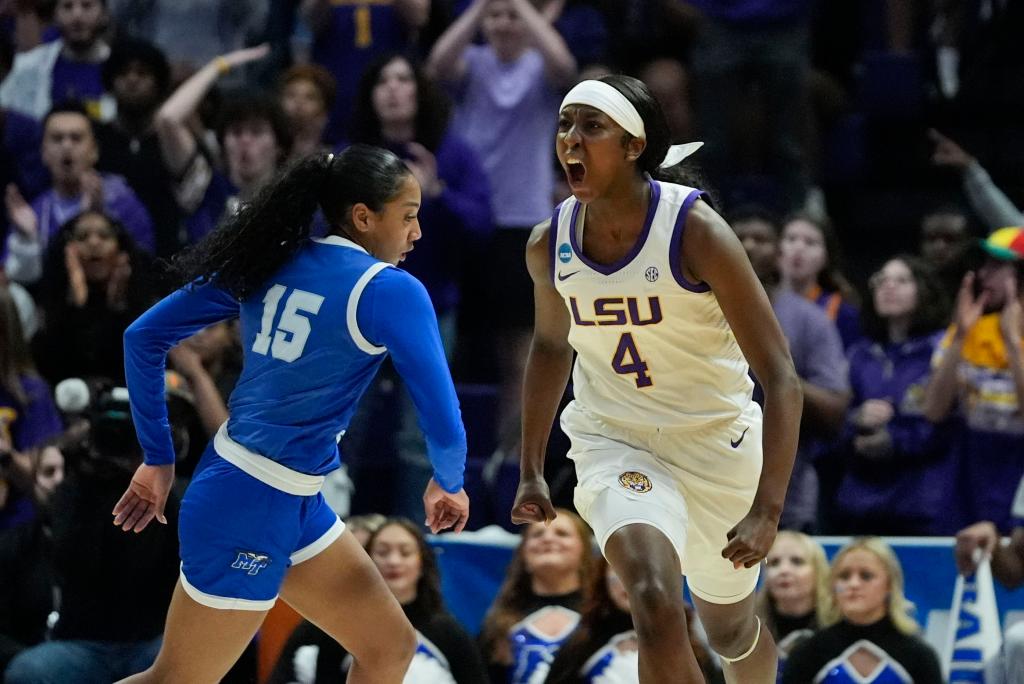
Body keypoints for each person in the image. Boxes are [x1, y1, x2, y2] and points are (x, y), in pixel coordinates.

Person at [110, 144, 471, 683]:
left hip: (289, 496)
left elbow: (142, 336)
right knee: (176, 680)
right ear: (364, 217)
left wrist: (158, 458)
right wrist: (449, 480)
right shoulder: (390, 291)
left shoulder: (271, 258)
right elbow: (439, 409)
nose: (417, 232)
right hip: (248, 500)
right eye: (409, 216)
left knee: (390, 648)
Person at [511, 75, 803, 683]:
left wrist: (768, 510)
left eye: (592, 127)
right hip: (615, 440)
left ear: (634, 144)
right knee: (651, 597)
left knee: (729, 629)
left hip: (716, 443)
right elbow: (548, 344)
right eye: (566, 125)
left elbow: (780, 377)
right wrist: (531, 467)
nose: (571, 139)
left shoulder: (697, 232)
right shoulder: (549, 243)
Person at [268, 517, 487, 683]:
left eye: (405, 552)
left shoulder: (449, 633)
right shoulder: (332, 626)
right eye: (382, 552)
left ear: (423, 564)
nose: (393, 561)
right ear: (367, 562)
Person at [835, 256, 956, 535]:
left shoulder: (943, 349)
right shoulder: (859, 355)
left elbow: (951, 423)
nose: (888, 287)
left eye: (902, 281)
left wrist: (895, 440)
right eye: (882, 280)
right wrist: (856, 420)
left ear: (925, 291)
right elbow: (835, 426)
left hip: (920, 501)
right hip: (860, 503)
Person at [922, 227, 1024, 533]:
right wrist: (961, 335)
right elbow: (933, 410)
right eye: (984, 264)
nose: (983, 274)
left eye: (997, 266)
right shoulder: (970, 328)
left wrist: (1013, 343)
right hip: (970, 470)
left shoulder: (1010, 335)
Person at [782, 537, 942, 683]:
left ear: (889, 585)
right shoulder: (807, 654)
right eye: (844, 576)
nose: (853, 584)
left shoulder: (919, 656)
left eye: (866, 576)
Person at [546, 555, 722, 684]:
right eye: (619, 571)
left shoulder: (694, 645)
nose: (632, 582)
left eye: (642, 571)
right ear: (603, 580)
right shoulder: (579, 645)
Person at [479, 509, 596, 684]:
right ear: (523, 554)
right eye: (537, 534)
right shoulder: (497, 625)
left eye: (562, 534)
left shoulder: (602, 617)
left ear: (584, 551)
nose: (548, 539)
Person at [755, 531, 829, 679]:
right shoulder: (750, 629)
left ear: (819, 571)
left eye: (797, 561)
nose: (784, 570)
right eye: (774, 563)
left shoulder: (839, 624)